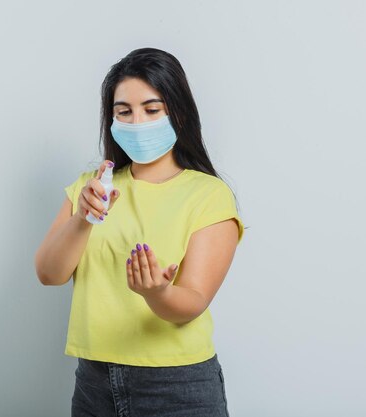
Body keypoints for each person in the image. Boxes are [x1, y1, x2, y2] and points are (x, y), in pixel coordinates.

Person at [34, 47, 245, 417]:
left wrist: (157, 293)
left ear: (177, 111)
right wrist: (83, 217)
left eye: (152, 109)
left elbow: (191, 302)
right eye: (123, 112)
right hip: (94, 382)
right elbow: (49, 274)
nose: (137, 122)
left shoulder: (208, 194)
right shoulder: (90, 187)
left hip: (177, 385)